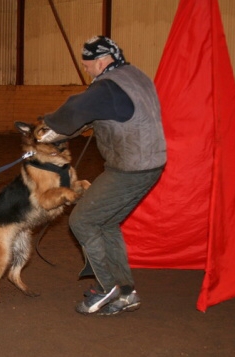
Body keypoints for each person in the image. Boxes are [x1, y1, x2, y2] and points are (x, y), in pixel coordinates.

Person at [38, 36, 166, 316]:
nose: (86, 70)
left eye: (87, 65)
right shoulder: (134, 75)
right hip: (150, 162)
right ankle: (126, 292)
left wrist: (46, 126)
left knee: (82, 220)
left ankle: (108, 287)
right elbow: (98, 117)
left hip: (131, 168)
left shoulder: (108, 87)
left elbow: (75, 108)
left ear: (101, 61)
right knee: (106, 222)